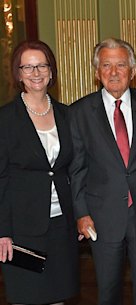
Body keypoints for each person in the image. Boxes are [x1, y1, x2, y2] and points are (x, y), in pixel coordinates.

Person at [69, 38, 136, 305]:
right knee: (107, 292)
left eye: (121, 65)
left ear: (132, 71)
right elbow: (76, 169)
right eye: (106, 65)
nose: (113, 72)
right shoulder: (79, 112)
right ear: (97, 72)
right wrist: (82, 213)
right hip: (102, 216)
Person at [0, 40, 79, 305]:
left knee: (58, 296)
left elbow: (75, 170)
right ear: (18, 73)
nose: (36, 73)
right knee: (27, 297)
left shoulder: (67, 115)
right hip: (22, 230)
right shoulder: (6, 119)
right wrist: (3, 232)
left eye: (42, 65)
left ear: (51, 70)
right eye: (28, 67)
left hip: (61, 226)